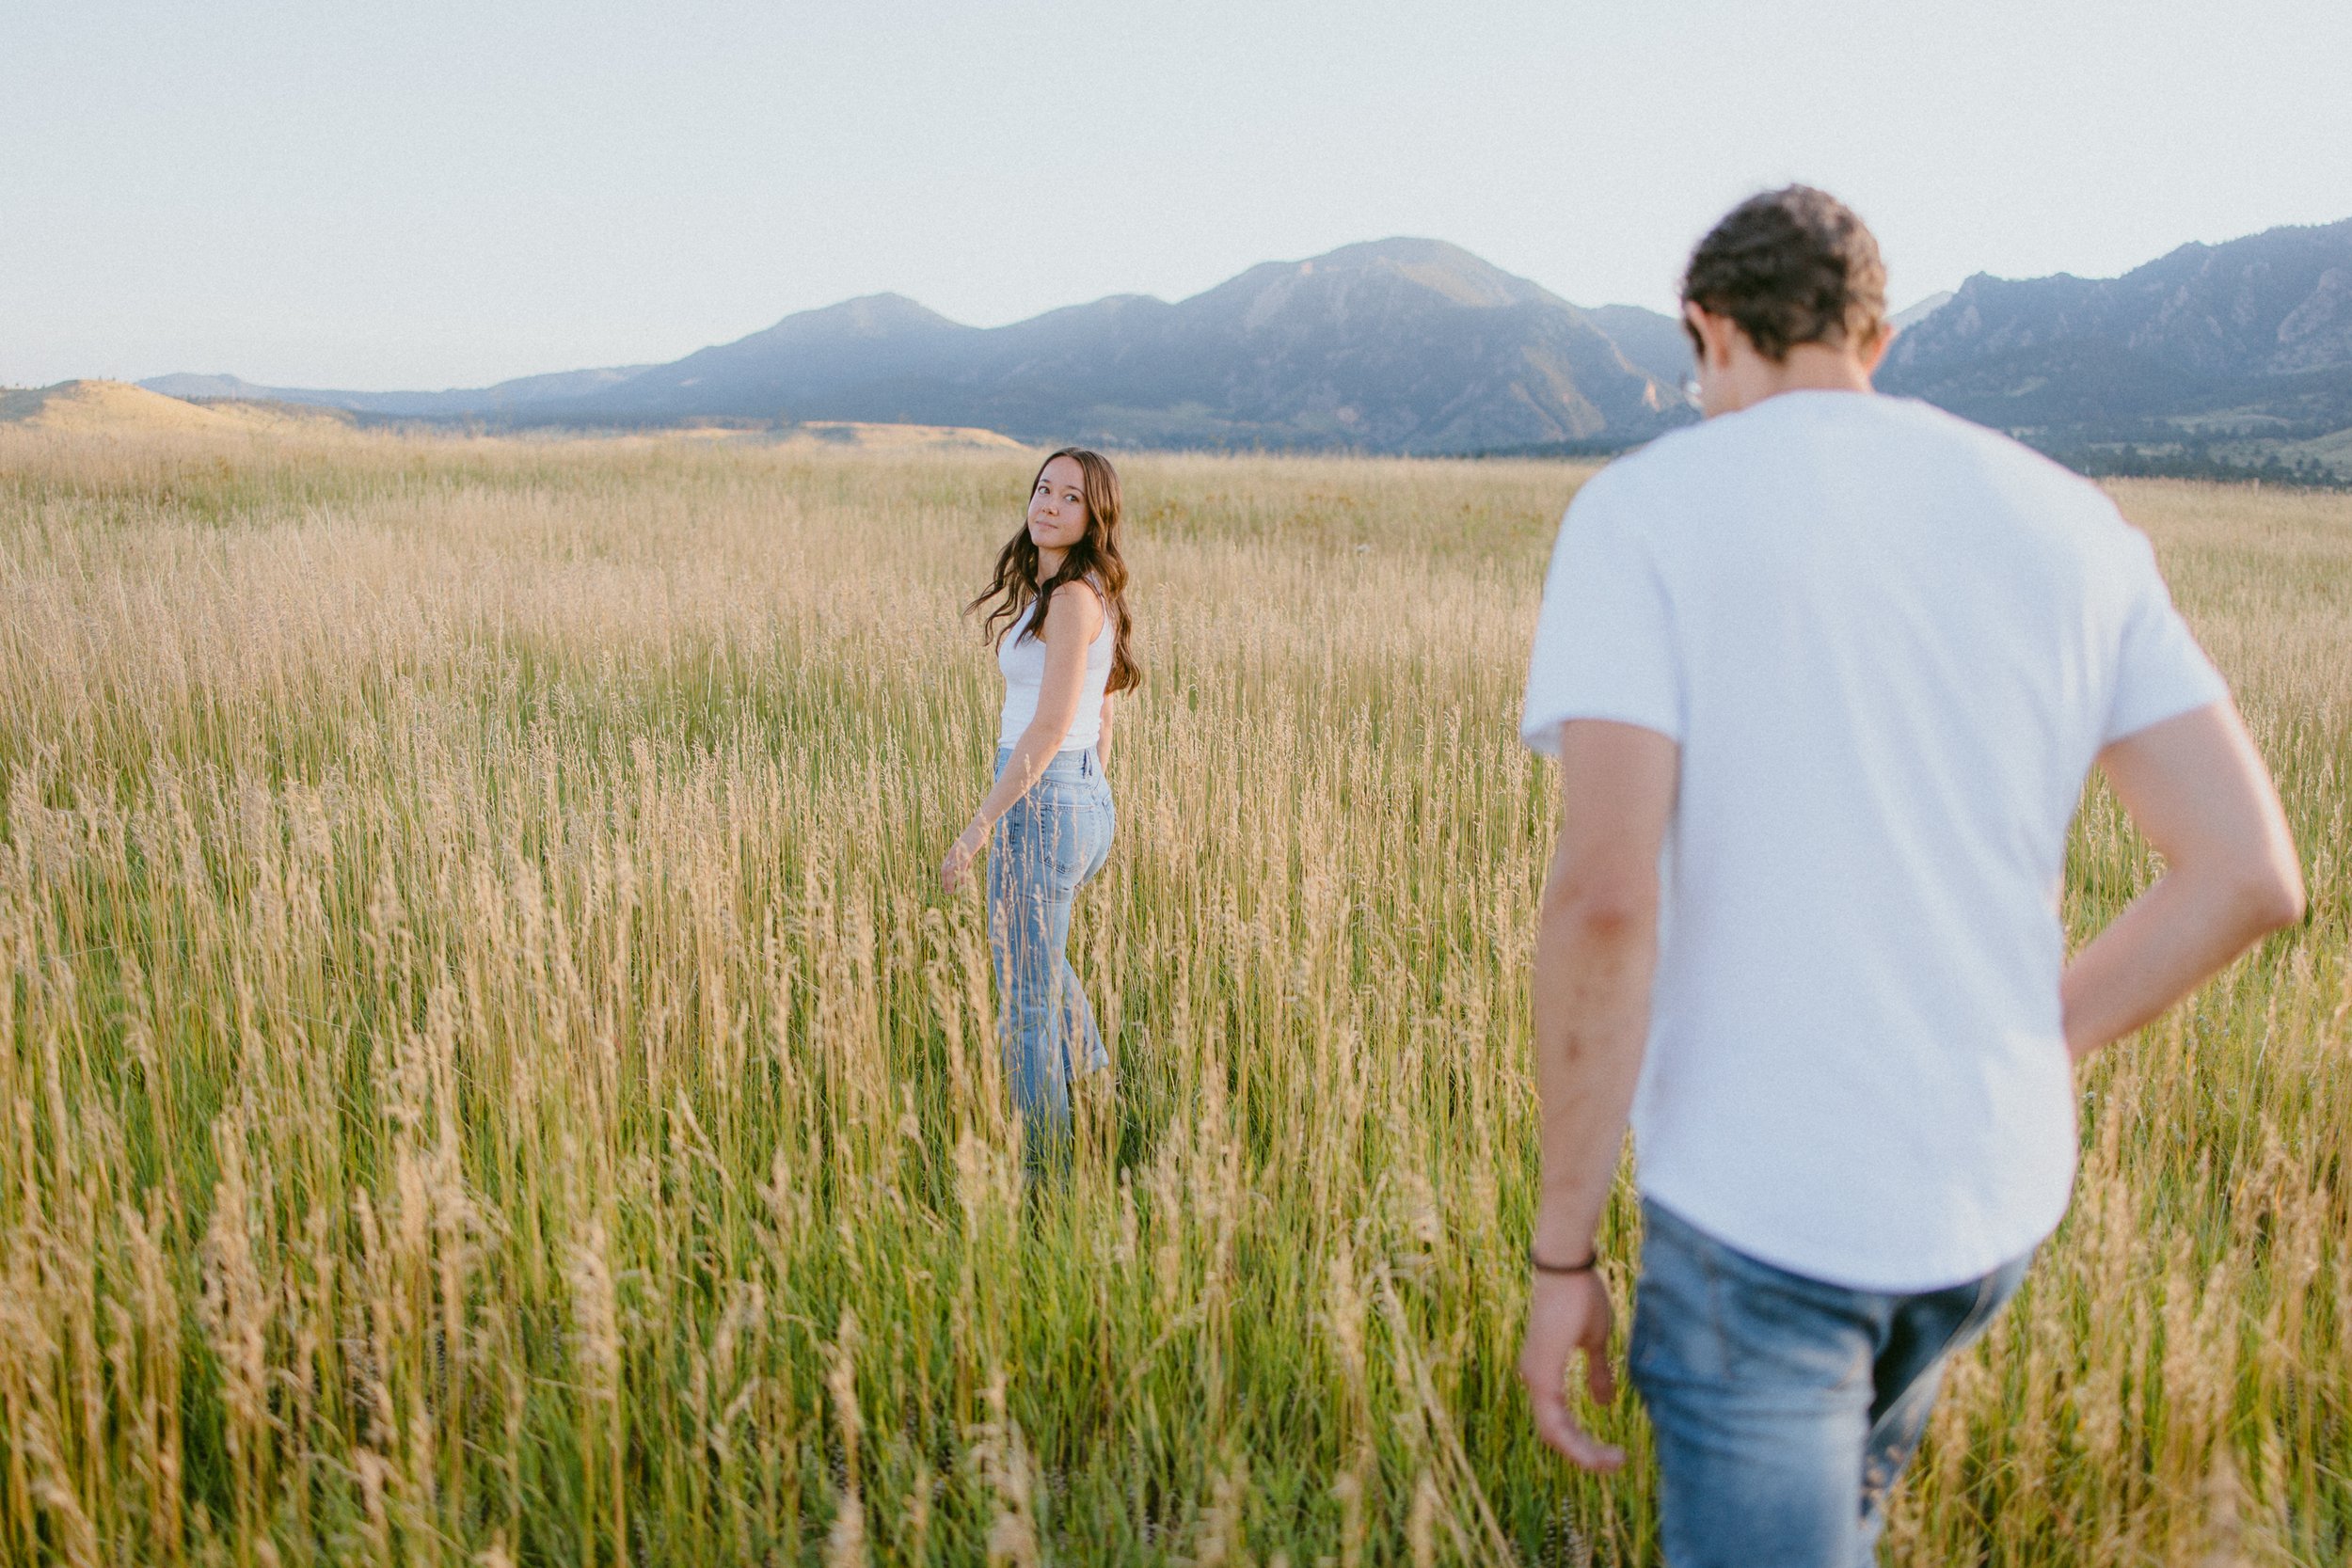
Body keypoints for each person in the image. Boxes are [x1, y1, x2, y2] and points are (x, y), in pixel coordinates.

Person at [1513, 186, 2305, 1566]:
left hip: (1766, 1209)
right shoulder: (2067, 519)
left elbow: (1606, 900)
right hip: (1980, 1201)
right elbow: (2246, 870)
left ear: (1709, 332)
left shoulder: (1642, 511)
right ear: (1874, 336)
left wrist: (1562, 1255)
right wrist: (2038, 1036)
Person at [941, 446, 1140, 1142]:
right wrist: (1091, 793)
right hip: (1078, 796)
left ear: (1094, 518)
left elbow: (1052, 723)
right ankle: (1096, 1097)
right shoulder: (1081, 593)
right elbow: (1103, 708)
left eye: (1071, 498)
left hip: (1044, 801)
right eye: (1043, 489)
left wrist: (980, 825)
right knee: (1043, 961)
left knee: (1024, 1003)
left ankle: (1045, 1173)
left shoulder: (1072, 598)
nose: (1049, 505)